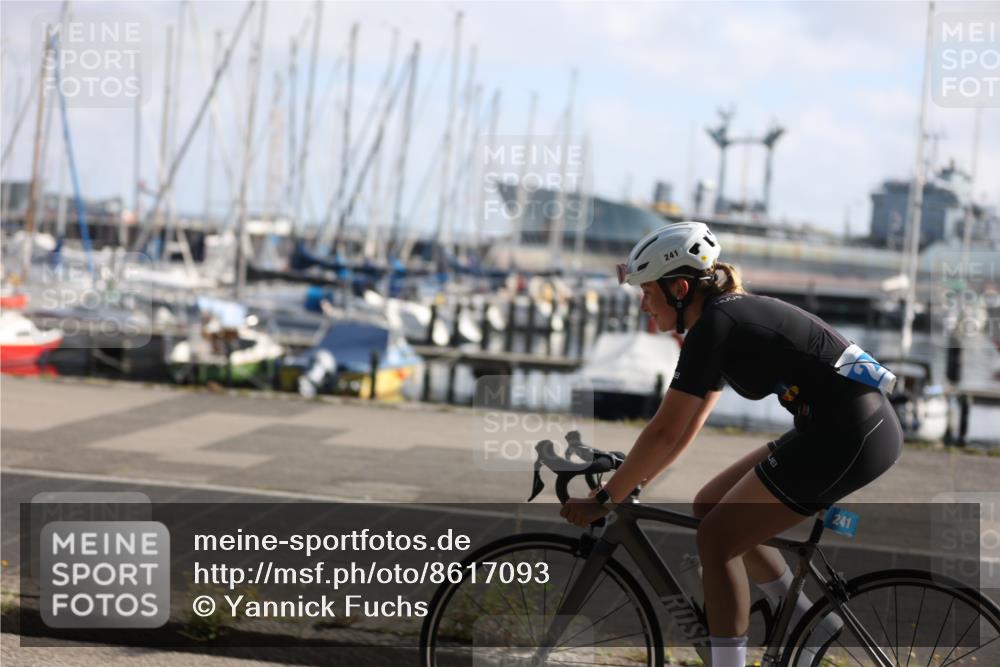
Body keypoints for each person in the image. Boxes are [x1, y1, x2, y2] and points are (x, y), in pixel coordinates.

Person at [560, 222, 903, 667]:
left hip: (851, 434)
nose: (643, 304)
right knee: (709, 505)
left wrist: (607, 497)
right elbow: (686, 428)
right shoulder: (724, 319)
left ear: (680, 288)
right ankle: (805, 621)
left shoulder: (717, 325)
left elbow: (664, 431)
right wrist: (639, 478)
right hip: (837, 427)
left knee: (716, 540)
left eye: (648, 292)